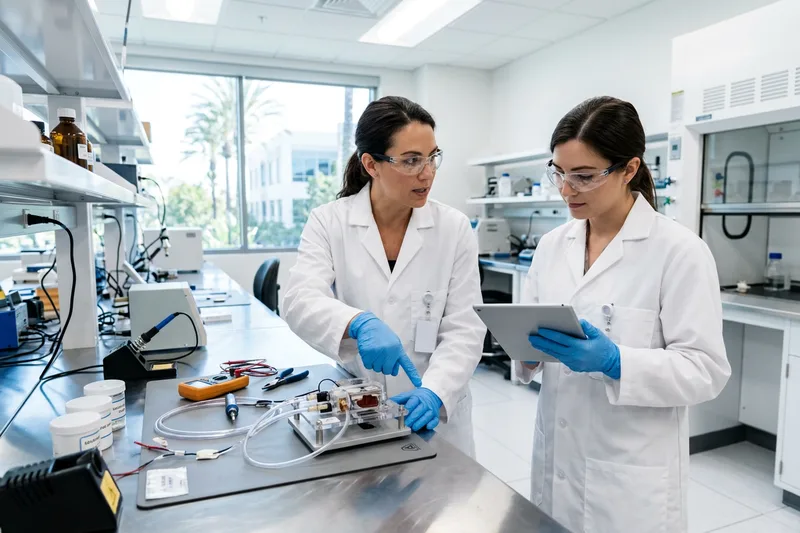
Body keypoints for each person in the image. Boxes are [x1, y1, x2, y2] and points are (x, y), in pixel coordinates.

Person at [516, 96, 731, 533]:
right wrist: (527, 352)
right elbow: (530, 334)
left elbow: (706, 370)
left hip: (629, 477)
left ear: (629, 169)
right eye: (559, 172)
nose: (566, 190)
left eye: (584, 176)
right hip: (557, 458)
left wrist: (617, 362)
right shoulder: (553, 246)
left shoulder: (679, 252)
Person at [283, 96, 485, 457]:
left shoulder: (454, 228)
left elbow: (465, 327)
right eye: (411, 160)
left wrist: (435, 391)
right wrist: (357, 323)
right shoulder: (329, 222)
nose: (427, 173)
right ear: (371, 165)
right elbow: (299, 299)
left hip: (435, 412)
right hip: (359, 406)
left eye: (432, 157)